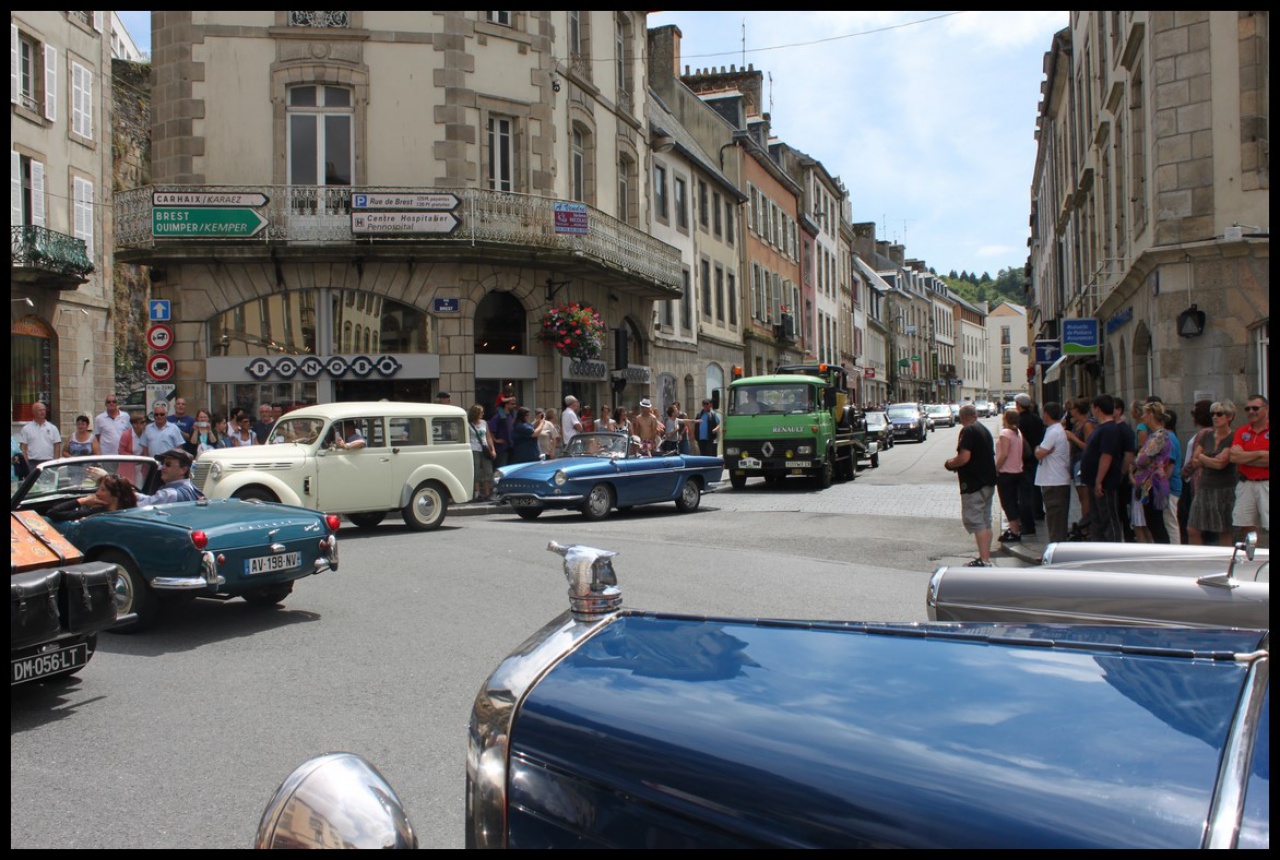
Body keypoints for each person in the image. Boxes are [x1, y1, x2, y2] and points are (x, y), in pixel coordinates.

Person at [944, 403, 998, 567]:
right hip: (988, 481)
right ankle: (986, 558)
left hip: (975, 483)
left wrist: (950, 464)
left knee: (975, 521)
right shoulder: (984, 430)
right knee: (985, 520)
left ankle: (984, 559)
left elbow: (964, 457)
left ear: (962, 417)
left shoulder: (968, 431)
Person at [1187, 401, 1238, 546]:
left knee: (1224, 530)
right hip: (1204, 486)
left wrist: (1203, 458)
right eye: (1213, 414)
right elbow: (1194, 460)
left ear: (1229, 416)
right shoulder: (1207, 436)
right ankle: (1197, 561)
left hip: (1224, 488)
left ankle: (1225, 562)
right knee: (1193, 528)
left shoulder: (1233, 437)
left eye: (1219, 414)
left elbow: (1221, 464)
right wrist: (1207, 459)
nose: (1215, 417)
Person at [1079, 394, 1126, 543]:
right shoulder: (1101, 428)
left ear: (1097, 409)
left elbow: (1107, 456)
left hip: (1105, 483)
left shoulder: (1110, 429)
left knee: (1108, 517)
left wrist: (1099, 480)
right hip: (1094, 481)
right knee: (1097, 517)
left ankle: (1113, 546)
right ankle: (1098, 544)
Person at [1131, 402, 1174, 544]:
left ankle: (1164, 550)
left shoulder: (1159, 435)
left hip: (1153, 483)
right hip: (1148, 483)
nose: (1142, 416)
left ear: (1151, 415)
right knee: (1152, 521)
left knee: (1155, 522)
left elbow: (1142, 458)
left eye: (1145, 413)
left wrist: (1137, 459)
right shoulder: (1155, 435)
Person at [1229, 394, 1269, 541]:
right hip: (1246, 483)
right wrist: (1260, 454)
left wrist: (1246, 457)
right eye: (1247, 409)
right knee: (1245, 524)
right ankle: (1252, 555)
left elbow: (1240, 457)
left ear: (1266, 409)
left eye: (1255, 408)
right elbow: (1234, 457)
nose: (1251, 411)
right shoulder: (1242, 431)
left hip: (1266, 483)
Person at [1035, 402, 1073, 544]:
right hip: (1055, 480)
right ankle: (1055, 548)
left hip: (1054, 481)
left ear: (1047, 414)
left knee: (1055, 520)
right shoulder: (1056, 430)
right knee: (1055, 520)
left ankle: (1055, 550)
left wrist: (1038, 449)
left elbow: (1040, 453)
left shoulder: (1053, 431)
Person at [1179, 400, 1214, 544]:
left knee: (1194, 526)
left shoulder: (1203, 434)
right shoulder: (1210, 433)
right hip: (1201, 482)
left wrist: (1184, 473)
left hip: (1197, 482)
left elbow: (1193, 460)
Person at [47, 472, 139, 521]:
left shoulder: (95, 514)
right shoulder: (133, 513)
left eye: (103, 490)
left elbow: (53, 512)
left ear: (117, 494)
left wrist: (83, 500)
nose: (97, 493)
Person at [1014, 393, 1045, 536]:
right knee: (1036, 485)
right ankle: (1038, 512)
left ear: (1019, 405)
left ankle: (1030, 516)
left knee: (1025, 490)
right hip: (1036, 456)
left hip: (1025, 459)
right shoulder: (1037, 419)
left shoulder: (1020, 421)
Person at [1065, 398, 1095, 533]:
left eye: (1072, 409)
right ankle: (1085, 524)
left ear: (1077, 410)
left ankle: (1086, 527)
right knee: (1081, 496)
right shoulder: (1077, 424)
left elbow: (1088, 446)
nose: (1070, 411)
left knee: (1085, 497)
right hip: (1075, 460)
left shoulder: (1087, 425)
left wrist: (1073, 438)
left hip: (1082, 461)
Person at [994, 409, 1024, 544]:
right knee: (1014, 501)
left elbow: (1004, 454)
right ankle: (1016, 527)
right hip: (1018, 471)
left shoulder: (1005, 433)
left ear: (1005, 419)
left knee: (1007, 502)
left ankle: (1014, 531)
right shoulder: (1018, 433)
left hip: (1006, 473)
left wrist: (995, 469)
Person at [134, 449, 205, 505]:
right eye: (162, 463)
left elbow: (136, 507)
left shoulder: (169, 494)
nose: (163, 467)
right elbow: (152, 499)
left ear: (183, 470)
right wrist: (133, 494)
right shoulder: (193, 490)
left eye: (168, 464)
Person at [1160, 408, 1183, 544]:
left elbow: (1170, 464)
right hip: (1171, 484)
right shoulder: (1170, 436)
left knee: (1171, 521)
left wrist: (1162, 483)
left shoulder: (1169, 438)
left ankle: (1176, 547)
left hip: (1171, 486)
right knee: (1169, 519)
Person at [19, 402, 61, 469]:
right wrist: (27, 464)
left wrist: (55, 463)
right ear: (33, 412)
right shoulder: (26, 429)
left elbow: (57, 447)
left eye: (44, 410)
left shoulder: (53, 428)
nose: (42, 412)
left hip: (49, 462)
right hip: (32, 463)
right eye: (40, 410)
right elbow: (23, 448)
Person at [468, 404, 496, 501]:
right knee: (476, 471)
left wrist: (492, 449)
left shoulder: (484, 423)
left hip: (484, 449)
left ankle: (487, 493)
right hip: (474, 449)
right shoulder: (468, 424)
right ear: (476, 413)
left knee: (488, 470)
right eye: (481, 412)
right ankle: (477, 493)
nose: (483, 414)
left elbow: (488, 437)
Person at [489, 397, 517, 467]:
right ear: (506, 405)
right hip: (501, 448)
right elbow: (490, 430)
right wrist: (495, 440)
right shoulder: (498, 417)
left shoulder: (511, 415)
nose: (514, 406)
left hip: (510, 446)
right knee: (502, 468)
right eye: (512, 404)